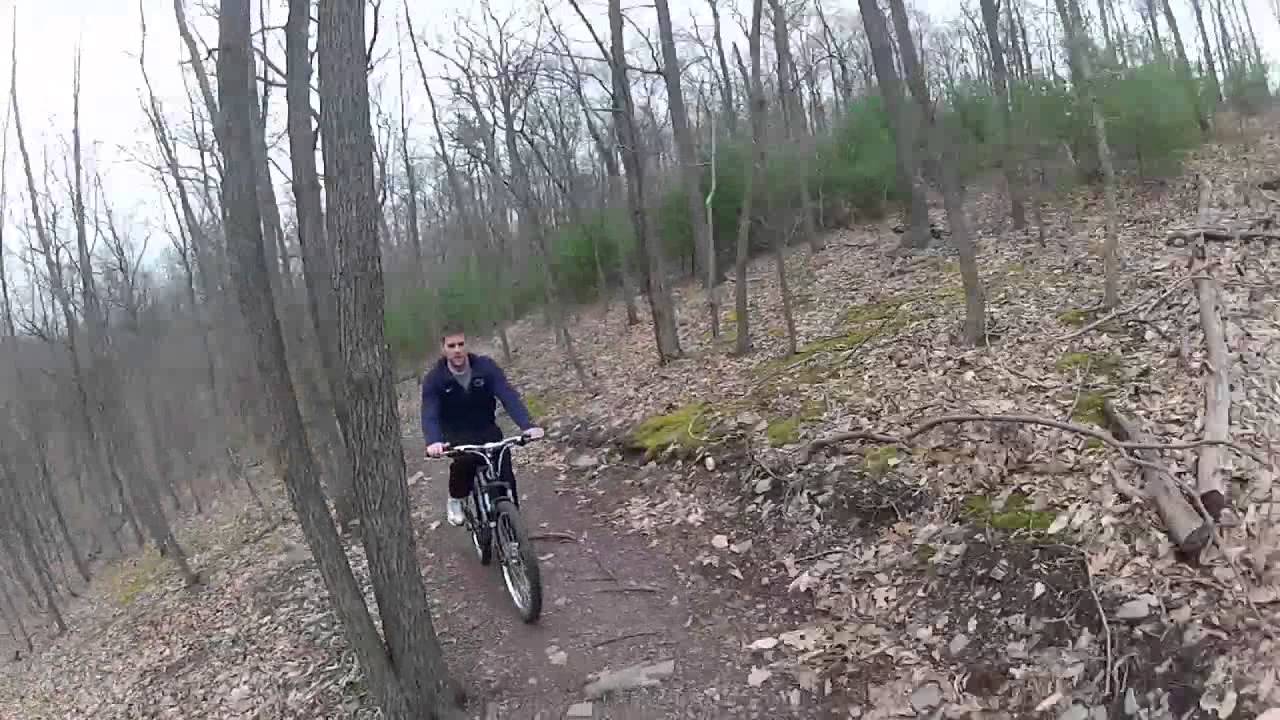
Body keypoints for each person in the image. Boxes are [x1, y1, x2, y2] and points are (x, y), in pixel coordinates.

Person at [421, 326, 544, 526]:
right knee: (465, 463)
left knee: (504, 472)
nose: (457, 350)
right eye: (451, 346)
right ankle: (456, 499)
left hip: (486, 427)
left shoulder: (485, 367)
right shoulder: (435, 379)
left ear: (467, 344)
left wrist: (527, 426)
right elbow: (430, 413)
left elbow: (507, 395)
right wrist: (434, 441)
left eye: (461, 344)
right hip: (456, 432)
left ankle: (513, 527)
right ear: (443, 349)